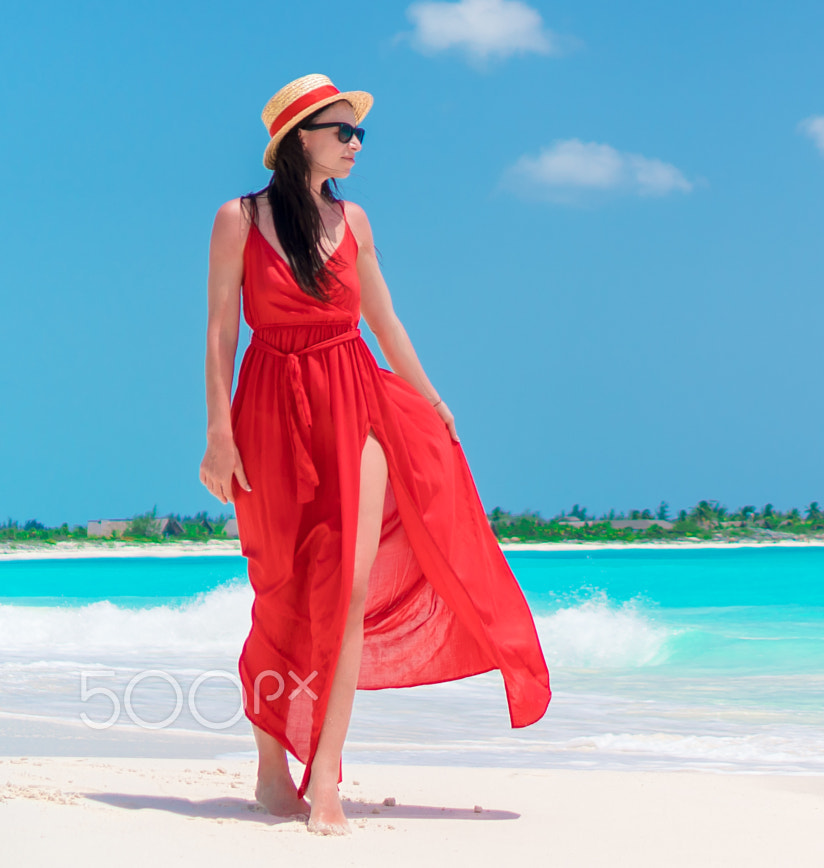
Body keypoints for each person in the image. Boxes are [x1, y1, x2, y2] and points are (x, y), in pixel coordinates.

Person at [198, 74, 551, 835]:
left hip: (356, 398)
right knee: (280, 588)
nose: (357, 143)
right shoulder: (240, 218)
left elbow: (386, 320)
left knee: (350, 591)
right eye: (343, 130)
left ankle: (325, 774)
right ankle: (269, 764)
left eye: (360, 133)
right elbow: (222, 330)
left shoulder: (353, 219)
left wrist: (434, 400)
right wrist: (217, 433)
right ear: (301, 137)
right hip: (267, 406)